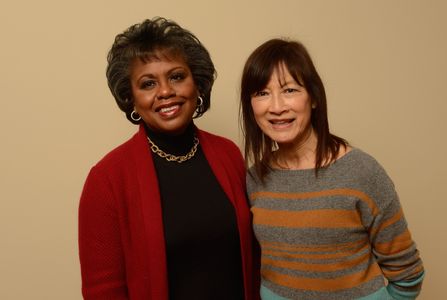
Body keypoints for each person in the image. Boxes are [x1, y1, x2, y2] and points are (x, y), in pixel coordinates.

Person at [79, 17, 258, 300]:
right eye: (148, 83)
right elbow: (103, 290)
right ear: (131, 98)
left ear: (196, 83)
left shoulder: (228, 155)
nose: (165, 92)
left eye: (176, 76)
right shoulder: (107, 180)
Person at [240, 38, 424, 299]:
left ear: (314, 97)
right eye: (262, 93)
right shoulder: (255, 178)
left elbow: (408, 275)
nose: (277, 107)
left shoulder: (361, 172)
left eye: (290, 90)